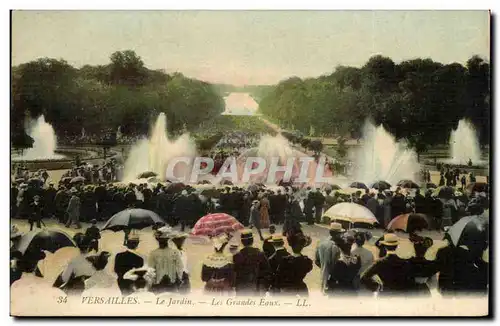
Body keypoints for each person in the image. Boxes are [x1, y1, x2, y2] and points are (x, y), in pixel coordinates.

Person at [233, 229, 271, 295]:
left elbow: (235, 273)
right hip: (256, 290)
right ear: (252, 241)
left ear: (242, 241)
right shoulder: (260, 254)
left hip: (241, 290)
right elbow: (267, 272)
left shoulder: (236, 256)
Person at [148, 227, 184, 294]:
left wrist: (179, 279)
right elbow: (151, 270)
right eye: (160, 239)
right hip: (161, 284)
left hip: (168, 284)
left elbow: (180, 268)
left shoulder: (174, 252)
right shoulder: (153, 253)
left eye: (163, 239)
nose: (161, 241)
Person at [314, 222, 345, 293]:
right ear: (337, 234)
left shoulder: (321, 242)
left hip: (323, 274)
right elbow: (336, 264)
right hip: (332, 276)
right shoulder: (335, 247)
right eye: (340, 233)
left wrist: (323, 266)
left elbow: (316, 261)